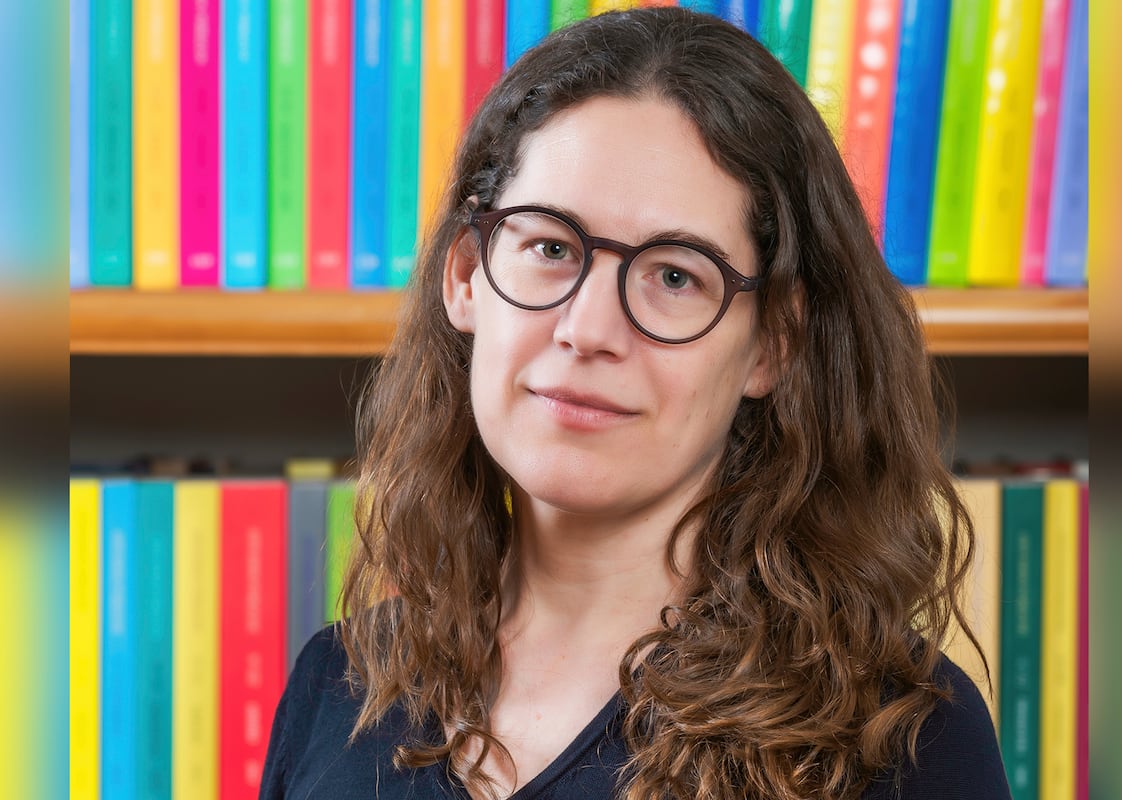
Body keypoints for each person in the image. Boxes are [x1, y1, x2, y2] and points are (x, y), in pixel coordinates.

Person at [260, 7, 1011, 800]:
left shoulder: (904, 740)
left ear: (772, 344)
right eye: (551, 247)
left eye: (676, 276)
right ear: (466, 275)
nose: (588, 330)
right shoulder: (336, 683)